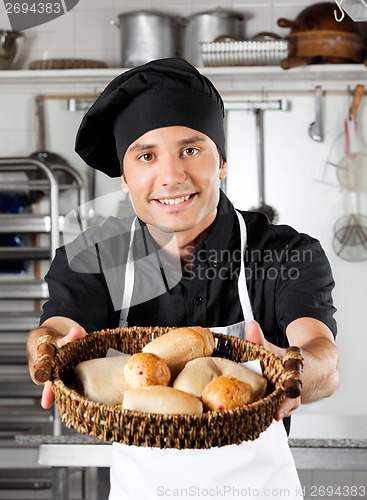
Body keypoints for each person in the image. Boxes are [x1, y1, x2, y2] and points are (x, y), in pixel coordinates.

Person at [27, 58, 339, 500]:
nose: (171, 176)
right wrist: (47, 348)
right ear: (125, 176)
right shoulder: (95, 257)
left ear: (223, 162)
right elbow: (55, 329)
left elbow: (321, 354)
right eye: (147, 155)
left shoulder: (283, 252)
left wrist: (298, 371)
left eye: (190, 150)